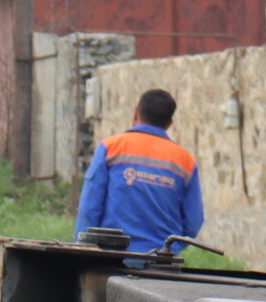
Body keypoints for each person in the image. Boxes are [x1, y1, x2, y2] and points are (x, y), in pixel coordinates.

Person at [75, 88, 203, 256]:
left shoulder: (110, 148)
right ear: (169, 123)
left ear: (136, 113)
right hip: (162, 261)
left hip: (111, 257)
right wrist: (171, 248)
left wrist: (83, 249)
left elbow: (90, 208)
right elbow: (193, 222)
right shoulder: (185, 161)